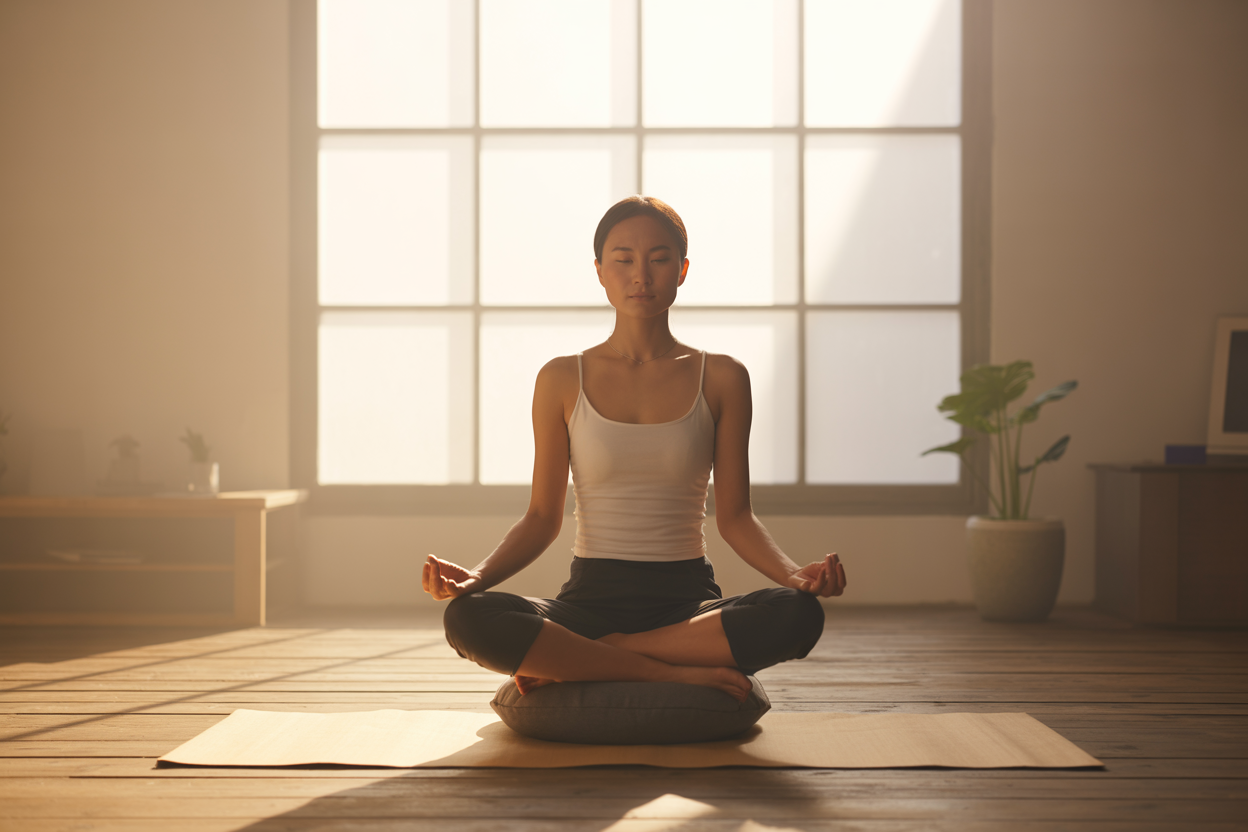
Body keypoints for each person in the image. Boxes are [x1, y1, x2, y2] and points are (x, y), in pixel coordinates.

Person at [422, 195, 847, 702]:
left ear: (682, 270)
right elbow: (541, 518)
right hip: (587, 601)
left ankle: (596, 655)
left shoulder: (723, 377)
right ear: (600, 272)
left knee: (797, 615)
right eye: (623, 260)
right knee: (469, 617)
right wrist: (476, 578)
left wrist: (794, 575)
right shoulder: (561, 378)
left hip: (686, 607)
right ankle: (671, 672)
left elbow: (736, 517)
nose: (641, 275)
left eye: (659, 259)